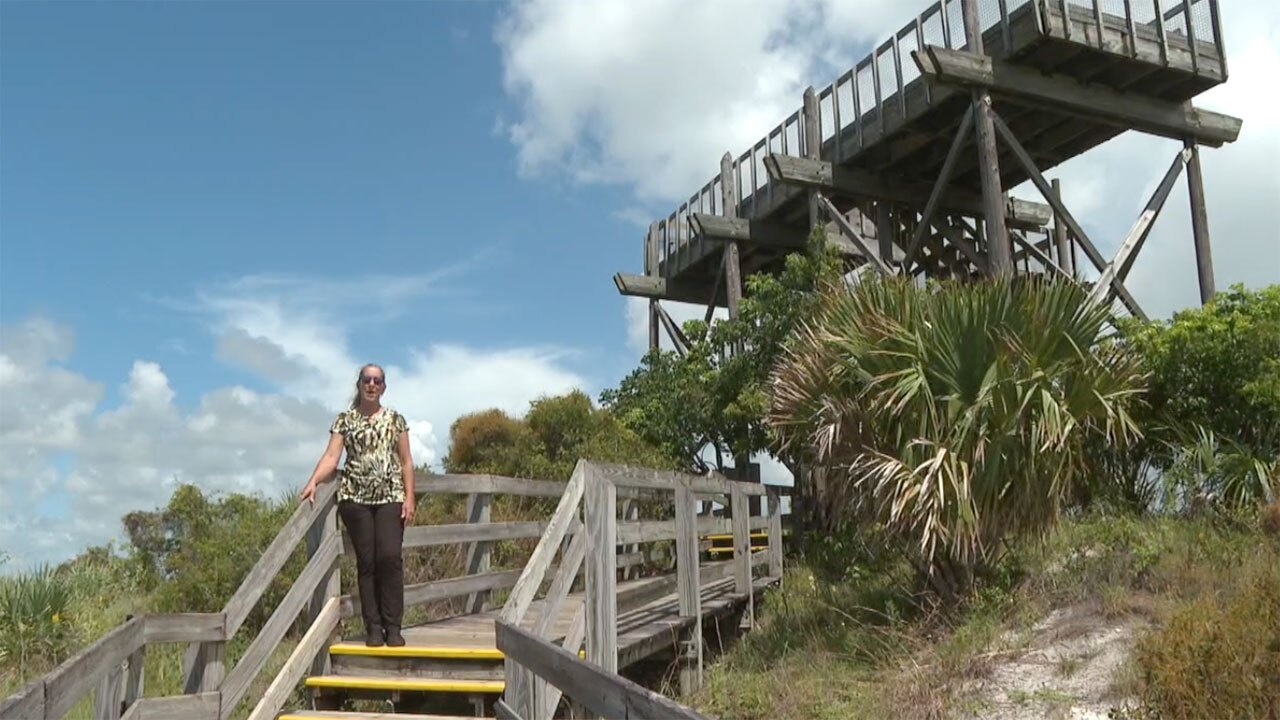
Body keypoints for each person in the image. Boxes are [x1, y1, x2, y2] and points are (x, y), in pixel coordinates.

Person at [300, 363, 416, 647]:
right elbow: (331, 458)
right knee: (367, 562)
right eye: (367, 380)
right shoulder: (345, 420)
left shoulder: (395, 420)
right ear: (360, 385)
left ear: (384, 387)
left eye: (377, 380)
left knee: (389, 558)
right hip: (356, 499)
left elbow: (406, 461)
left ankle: (394, 626)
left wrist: (410, 497)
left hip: (391, 497)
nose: (372, 385)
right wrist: (313, 481)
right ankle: (373, 628)